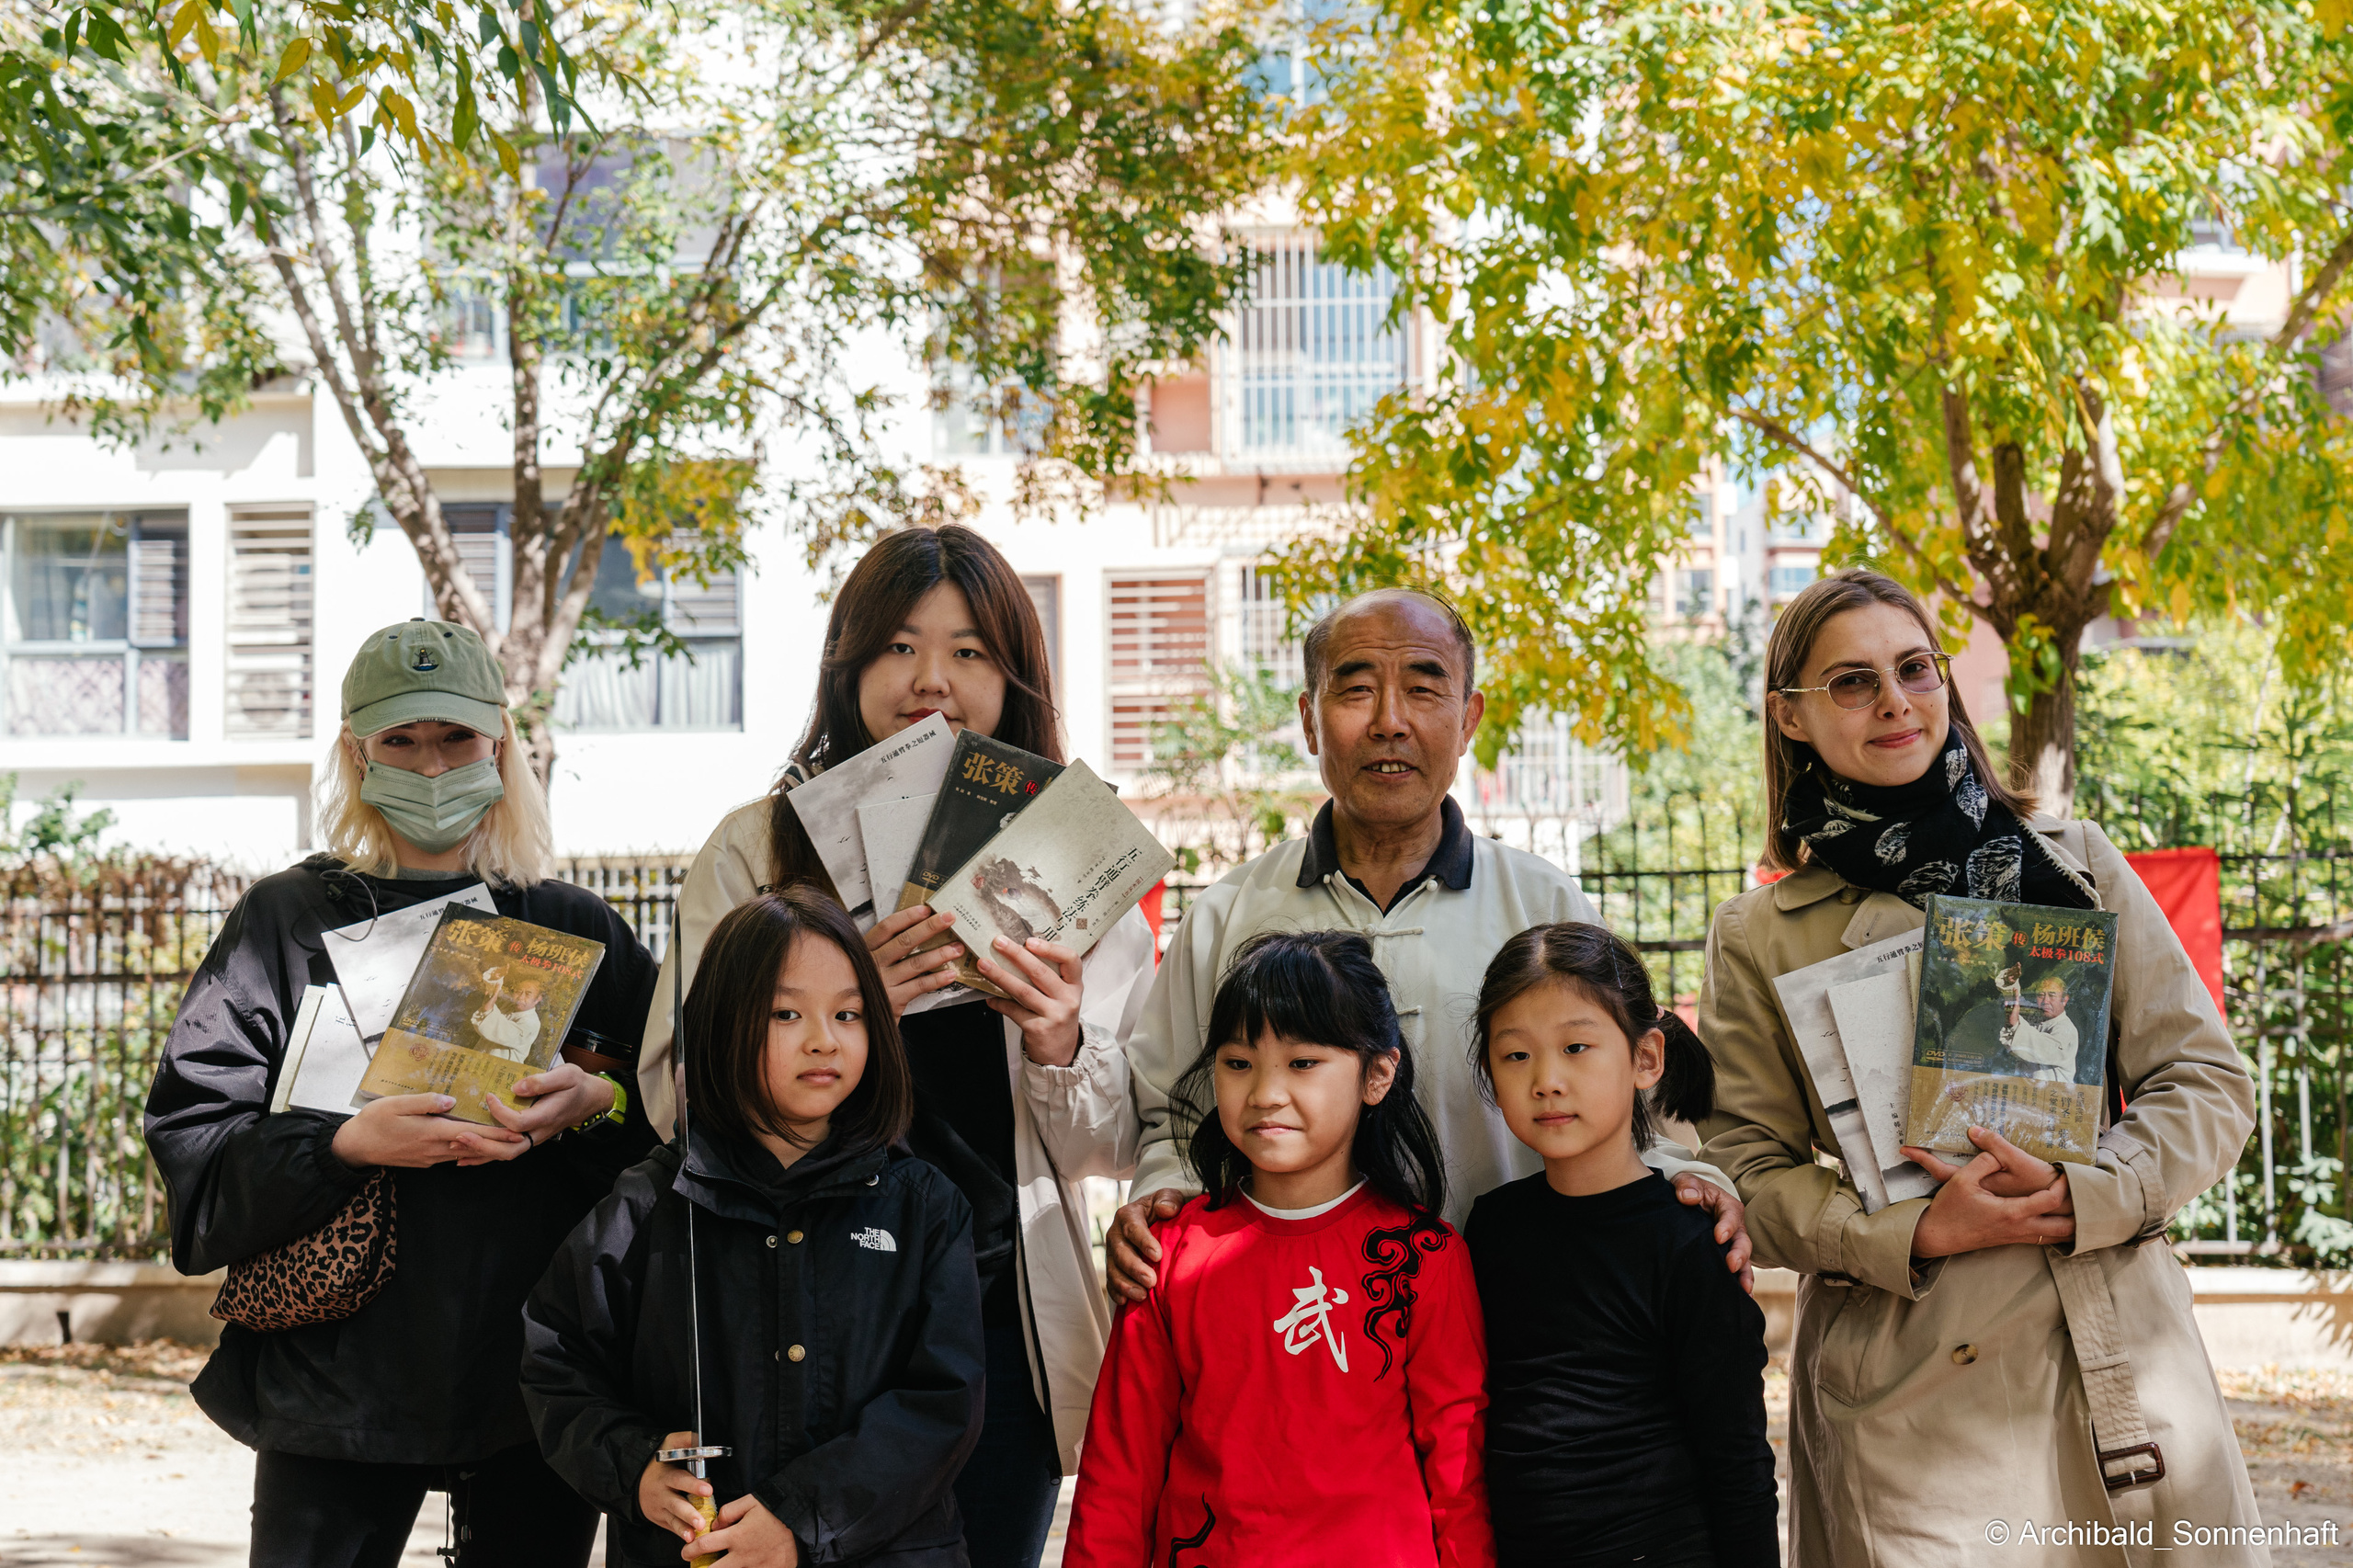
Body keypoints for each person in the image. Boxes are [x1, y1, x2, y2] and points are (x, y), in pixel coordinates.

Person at [1697, 569, 2263, 1564]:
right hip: (1913, 1389)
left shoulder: (2073, 861)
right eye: (1850, 681)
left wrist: (2095, 1189)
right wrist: (1909, 1228)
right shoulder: (1757, 933)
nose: (1893, 700)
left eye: (1914, 667)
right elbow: (1743, 1162)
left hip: (2114, 1347)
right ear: (1788, 715)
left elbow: (2206, 1082)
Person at [636, 525, 1155, 1568]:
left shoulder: (1073, 858)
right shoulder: (758, 846)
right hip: (785, 1313)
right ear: (849, 663)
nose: (932, 681)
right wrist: (840, 1002)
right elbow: (669, 1099)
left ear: (1013, 676)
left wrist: (1058, 1043)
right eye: (899, 646)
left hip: (991, 1321)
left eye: (969, 652)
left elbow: (1122, 1135)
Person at [142, 618, 657, 1568]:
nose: (431, 766)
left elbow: (677, 1108)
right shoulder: (285, 920)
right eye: (401, 740)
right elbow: (195, 1140)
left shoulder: (573, 925)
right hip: (334, 1389)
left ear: (500, 742)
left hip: (537, 1381)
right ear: (356, 751)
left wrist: (598, 1100)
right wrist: (344, 1144)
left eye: (456, 737)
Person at [1109, 587, 1751, 1292]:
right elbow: (1171, 1118)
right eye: (1355, 690)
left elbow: (1625, 1116)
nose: (1389, 722)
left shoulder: (1543, 906)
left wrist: (1688, 1178)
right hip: (1292, 1328)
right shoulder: (1230, 914)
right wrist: (1160, 1195)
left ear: (1469, 717)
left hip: (1524, 1317)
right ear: (1309, 721)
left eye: (1423, 688)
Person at [522, 889, 984, 1567]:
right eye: (786, 1013)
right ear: (721, 1024)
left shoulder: (925, 1207)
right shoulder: (650, 1202)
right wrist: (636, 1470)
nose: (824, 1038)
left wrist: (803, 1520)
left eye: (849, 1013)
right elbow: (554, 1360)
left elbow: (944, 1403)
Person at [1063, 931, 1491, 1568]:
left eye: (1302, 1063)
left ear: (1378, 1074)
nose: (1264, 1093)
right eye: (1239, 1063)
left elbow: (1458, 1470)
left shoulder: (1424, 1255)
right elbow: (1119, 1471)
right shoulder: (1172, 1252)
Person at [1465, 923, 1777, 1568]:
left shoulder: (1690, 1241)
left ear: (1646, 1059)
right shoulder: (1493, 1227)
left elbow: (1738, 1458)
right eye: (1515, 1055)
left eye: (1576, 1047)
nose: (1546, 1080)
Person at [472, 969, 546, 1062]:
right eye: (518, 991)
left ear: (538, 998)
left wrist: (488, 1010)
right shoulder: (510, 1005)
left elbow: (502, 1032)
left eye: (528, 994)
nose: (521, 997)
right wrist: (495, 978)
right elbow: (498, 993)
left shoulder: (531, 1022)